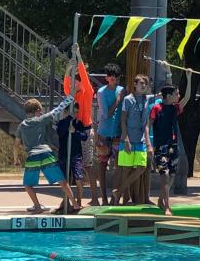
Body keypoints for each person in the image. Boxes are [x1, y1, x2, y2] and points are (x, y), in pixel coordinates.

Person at [14, 61, 78, 214]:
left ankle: (37, 206)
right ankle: (75, 205)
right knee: (62, 181)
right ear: (37, 110)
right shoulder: (41, 119)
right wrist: (71, 97)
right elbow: (58, 109)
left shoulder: (21, 125)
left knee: (28, 185)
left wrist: (16, 159)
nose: (42, 113)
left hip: (32, 157)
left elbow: (16, 144)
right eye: (41, 110)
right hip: (46, 154)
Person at [149, 70, 193, 214]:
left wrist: (189, 77)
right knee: (165, 175)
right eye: (176, 94)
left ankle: (161, 199)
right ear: (168, 96)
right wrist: (149, 144)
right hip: (161, 146)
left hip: (173, 147)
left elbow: (187, 97)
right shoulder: (156, 108)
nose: (178, 96)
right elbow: (148, 125)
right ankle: (167, 205)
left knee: (172, 175)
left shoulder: (175, 108)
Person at [115, 74, 155, 205]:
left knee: (142, 167)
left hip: (141, 141)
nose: (143, 85)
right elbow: (123, 120)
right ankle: (123, 198)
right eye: (141, 83)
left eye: (145, 84)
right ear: (135, 84)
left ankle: (119, 190)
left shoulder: (147, 99)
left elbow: (165, 92)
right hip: (128, 140)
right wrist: (125, 138)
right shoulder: (128, 99)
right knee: (126, 170)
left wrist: (167, 71)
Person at [94, 63, 124, 205]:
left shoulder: (122, 89)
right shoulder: (101, 92)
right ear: (107, 78)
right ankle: (104, 198)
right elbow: (106, 114)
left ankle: (115, 197)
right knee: (102, 165)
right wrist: (117, 100)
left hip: (118, 133)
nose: (114, 81)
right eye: (112, 79)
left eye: (117, 79)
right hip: (104, 133)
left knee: (119, 165)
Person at [55, 104, 88, 210]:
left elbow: (84, 137)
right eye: (73, 112)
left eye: (76, 112)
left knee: (79, 179)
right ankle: (66, 201)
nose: (75, 115)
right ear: (65, 112)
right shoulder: (61, 123)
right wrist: (68, 119)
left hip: (76, 155)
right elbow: (60, 133)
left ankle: (79, 202)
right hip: (64, 155)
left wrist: (75, 132)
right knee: (64, 180)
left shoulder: (78, 124)